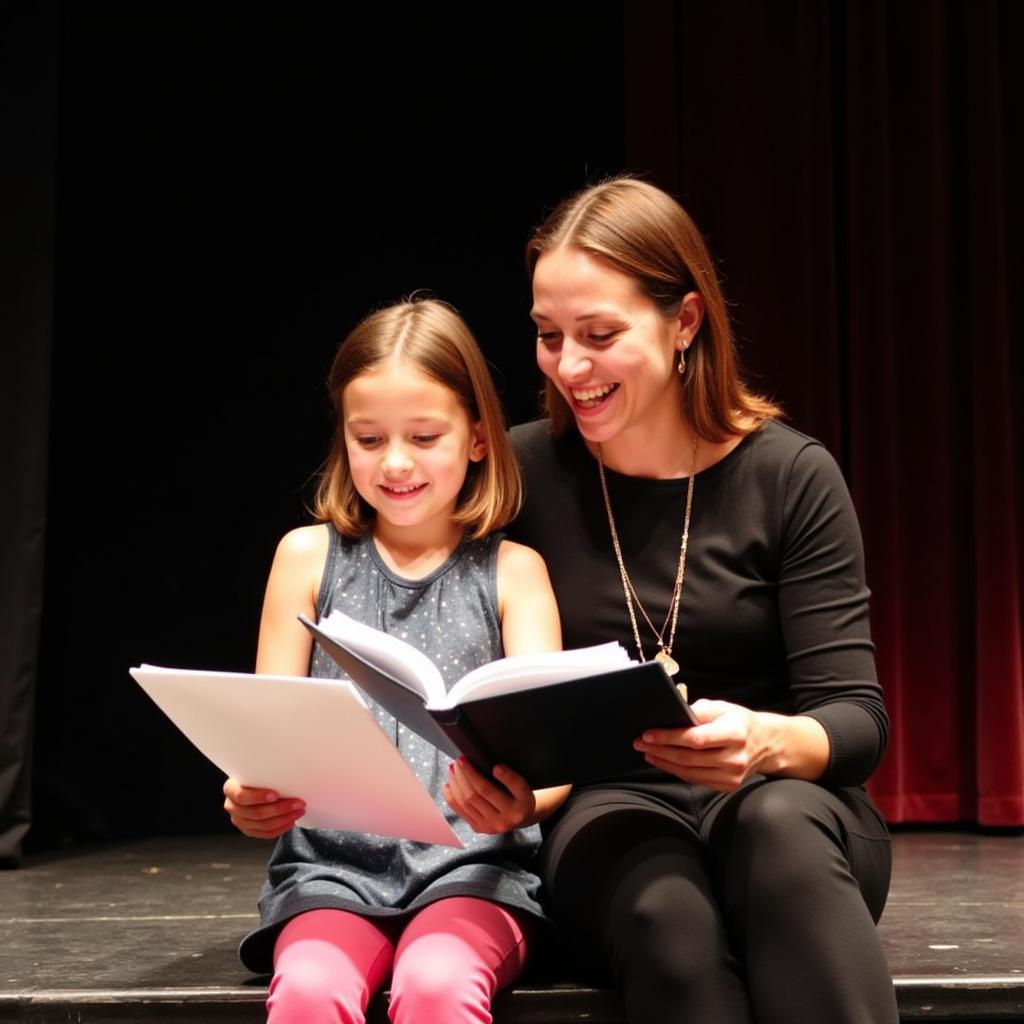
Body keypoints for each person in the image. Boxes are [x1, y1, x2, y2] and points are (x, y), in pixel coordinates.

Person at [504, 177, 899, 1023]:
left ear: (684, 322)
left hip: (787, 800)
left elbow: (857, 720)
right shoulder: (521, 473)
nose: (569, 366)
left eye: (600, 335)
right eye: (548, 336)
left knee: (779, 836)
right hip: (607, 803)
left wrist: (763, 740)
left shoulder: (789, 475)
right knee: (664, 915)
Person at [222, 298, 570, 1024]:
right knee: (312, 990)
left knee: (438, 984)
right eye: (370, 438)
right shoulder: (307, 559)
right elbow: (263, 736)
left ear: (477, 439)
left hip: (474, 873)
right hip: (332, 873)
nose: (397, 461)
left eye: (424, 435)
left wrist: (521, 801)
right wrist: (251, 795)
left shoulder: (514, 573)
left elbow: (554, 761)